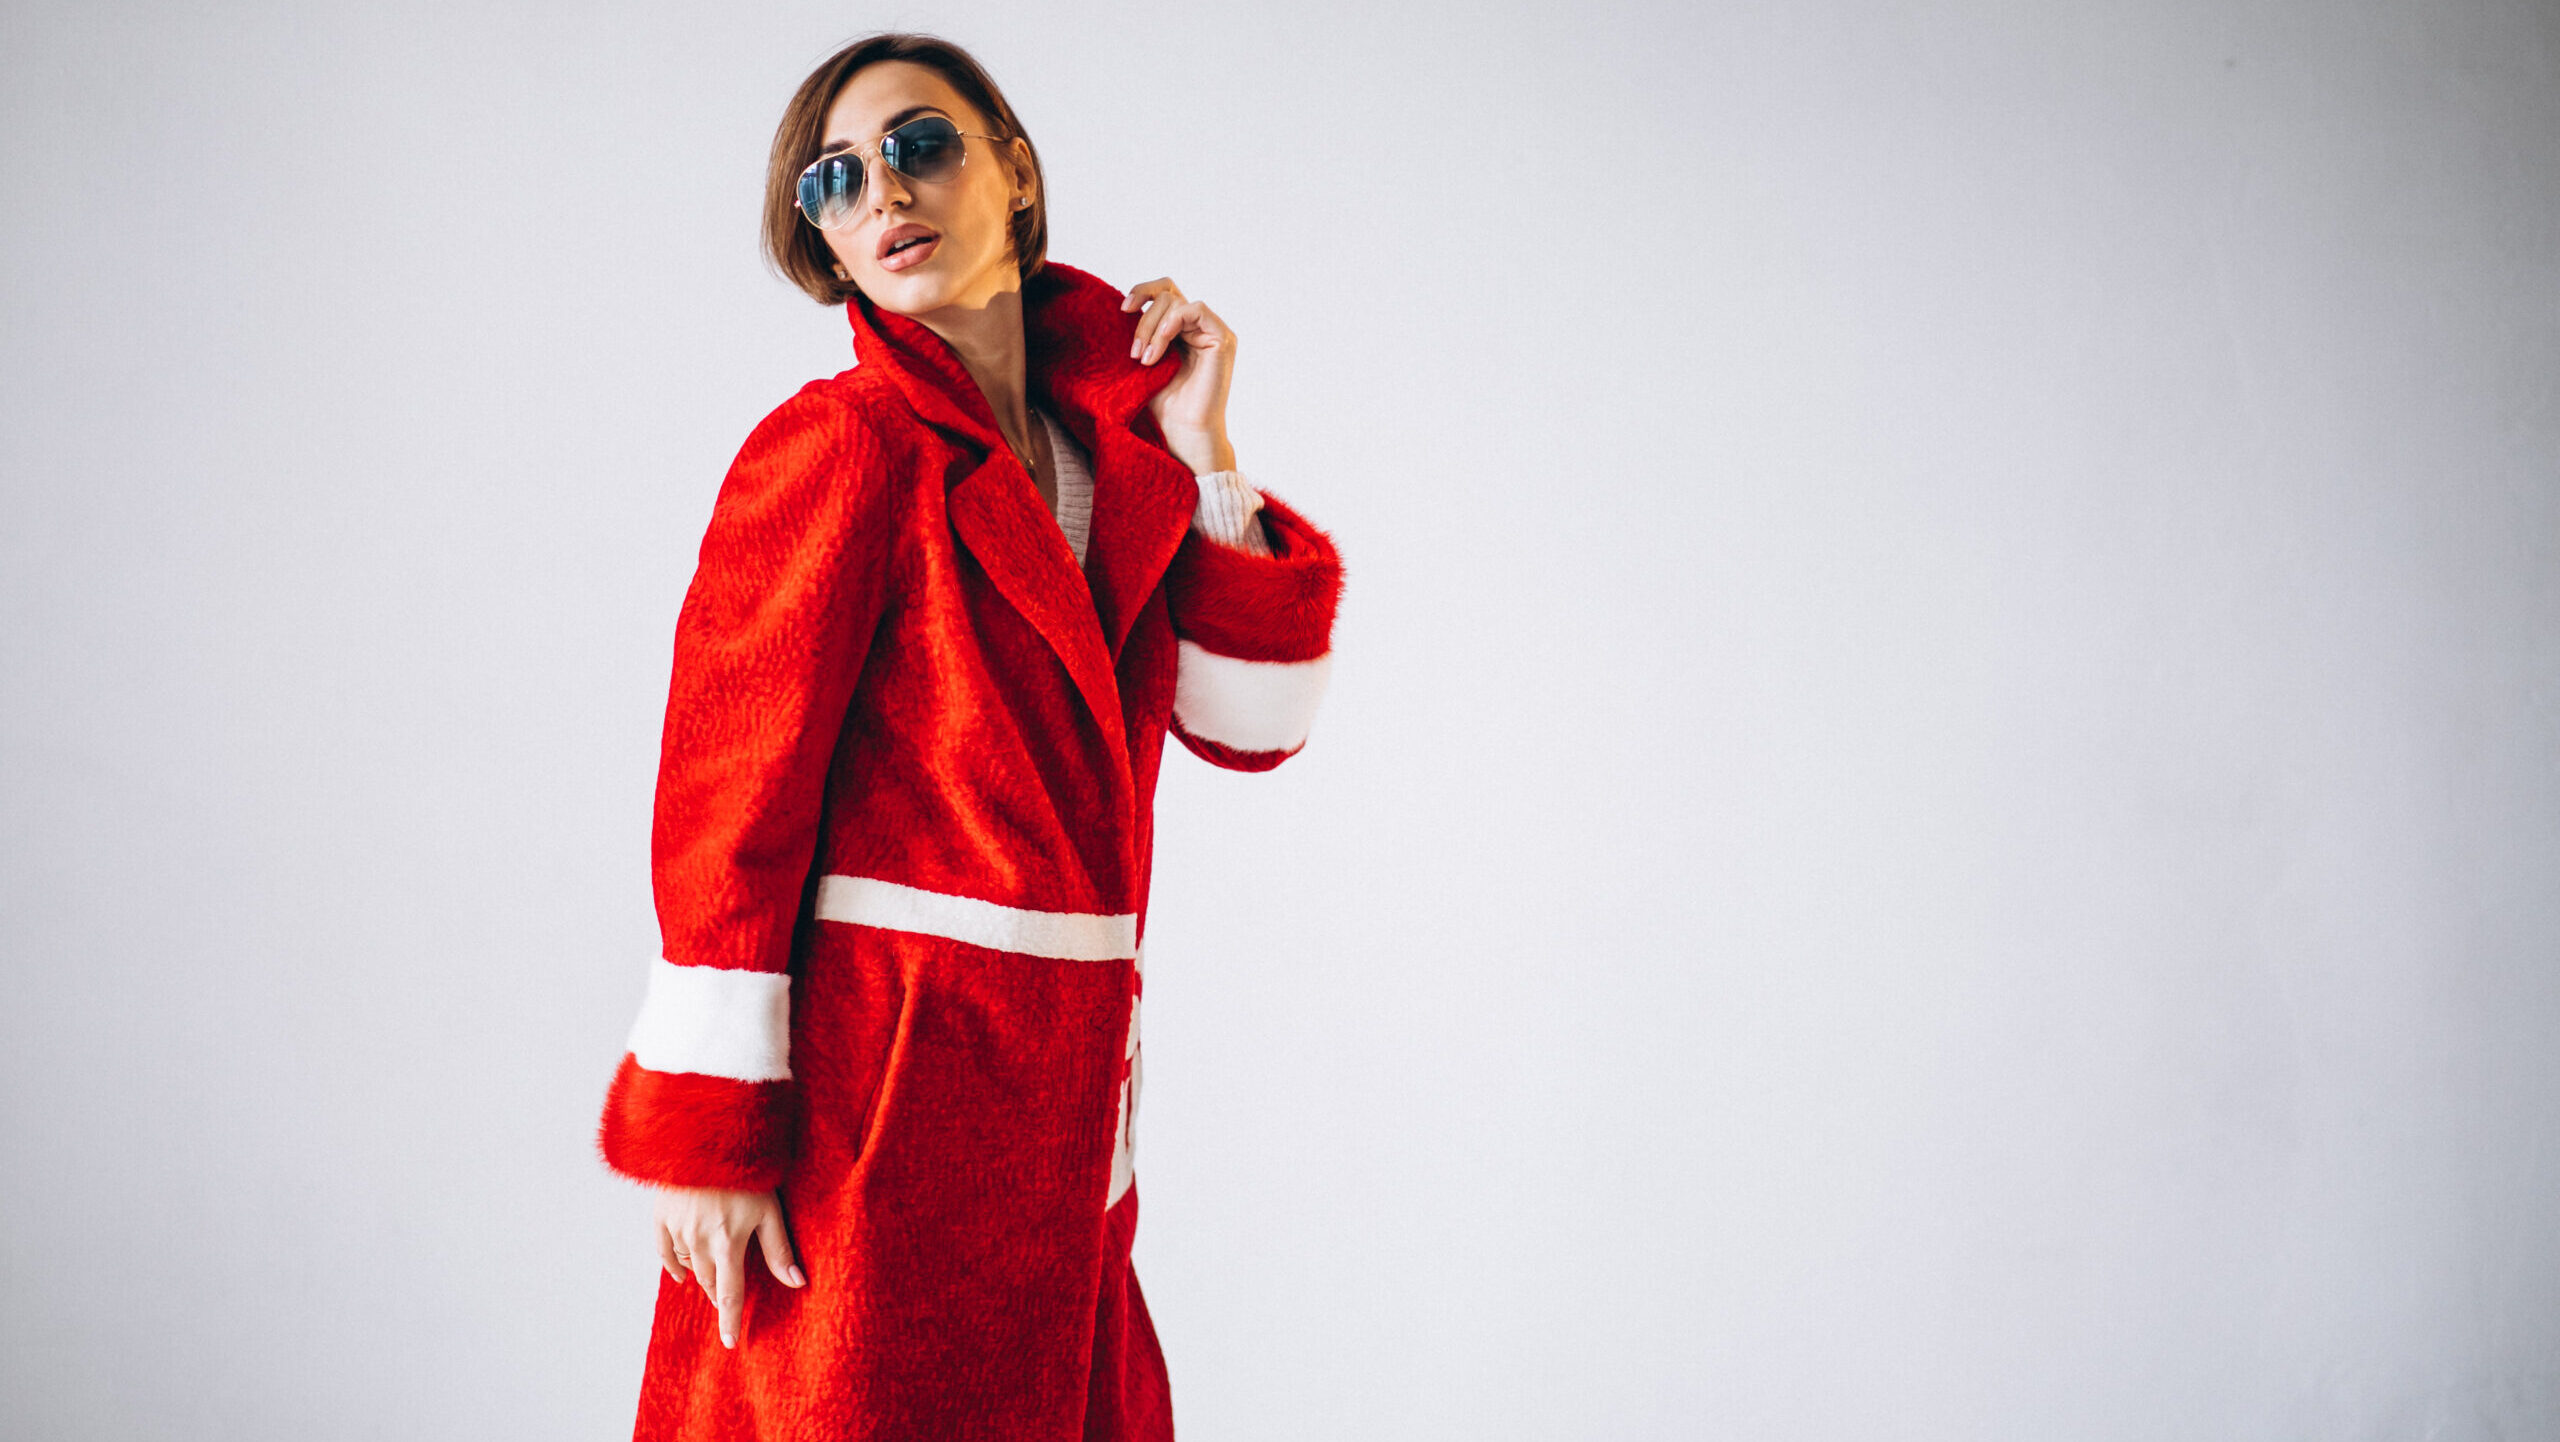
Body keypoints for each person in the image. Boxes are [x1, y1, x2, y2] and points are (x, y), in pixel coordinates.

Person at [592, 30, 1343, 1442]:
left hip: (1066, 1120)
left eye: (919, 145)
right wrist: (706, 1130)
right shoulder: (844, 445)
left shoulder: (1114, 459)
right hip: (874, 1111)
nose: (883, 190)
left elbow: (1254, 720)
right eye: (834, 179)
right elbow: (727, 791)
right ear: (823, 239)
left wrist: (1201, 445)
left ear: (1016, 171)